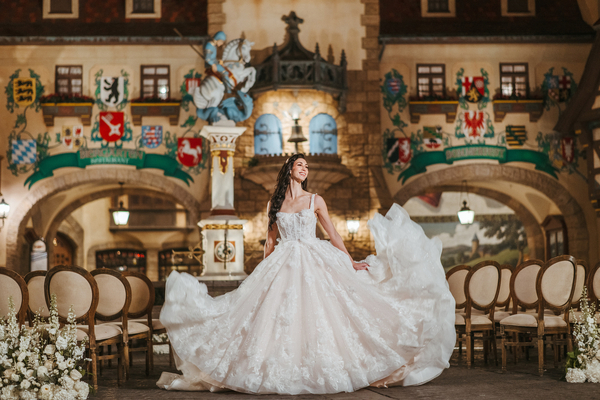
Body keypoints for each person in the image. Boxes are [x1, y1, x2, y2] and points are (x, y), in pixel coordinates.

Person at [157, 153, 456, 395]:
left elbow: (334, 234)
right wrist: (261, 274)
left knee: (330, 311)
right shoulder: (274, 204)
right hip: (283, 262)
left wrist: (351, 262)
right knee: (275, 314)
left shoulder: (316, 200)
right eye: (300, 164)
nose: (305, 168)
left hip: (315, 257)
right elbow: (270, 242)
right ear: (289, 169)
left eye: (307, 166)